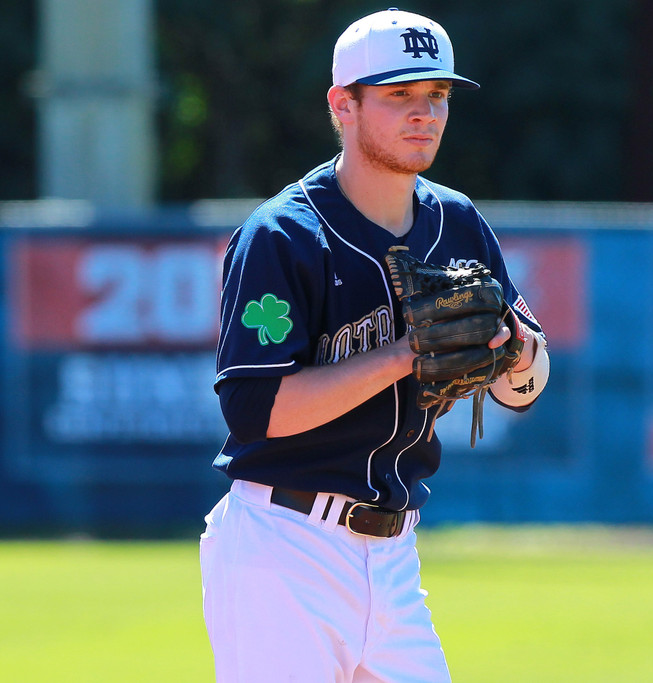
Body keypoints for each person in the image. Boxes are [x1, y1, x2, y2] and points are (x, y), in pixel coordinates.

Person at [200, 8, 548, 682]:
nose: (425, 113)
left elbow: (527, 384)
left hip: (394, 557)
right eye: (399, 96)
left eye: (437, 95)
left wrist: (518, 353)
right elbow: (253, 410)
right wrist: (403, 354)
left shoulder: (457, 220)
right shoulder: (282, 236)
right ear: (344, 104)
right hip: (283, 546)